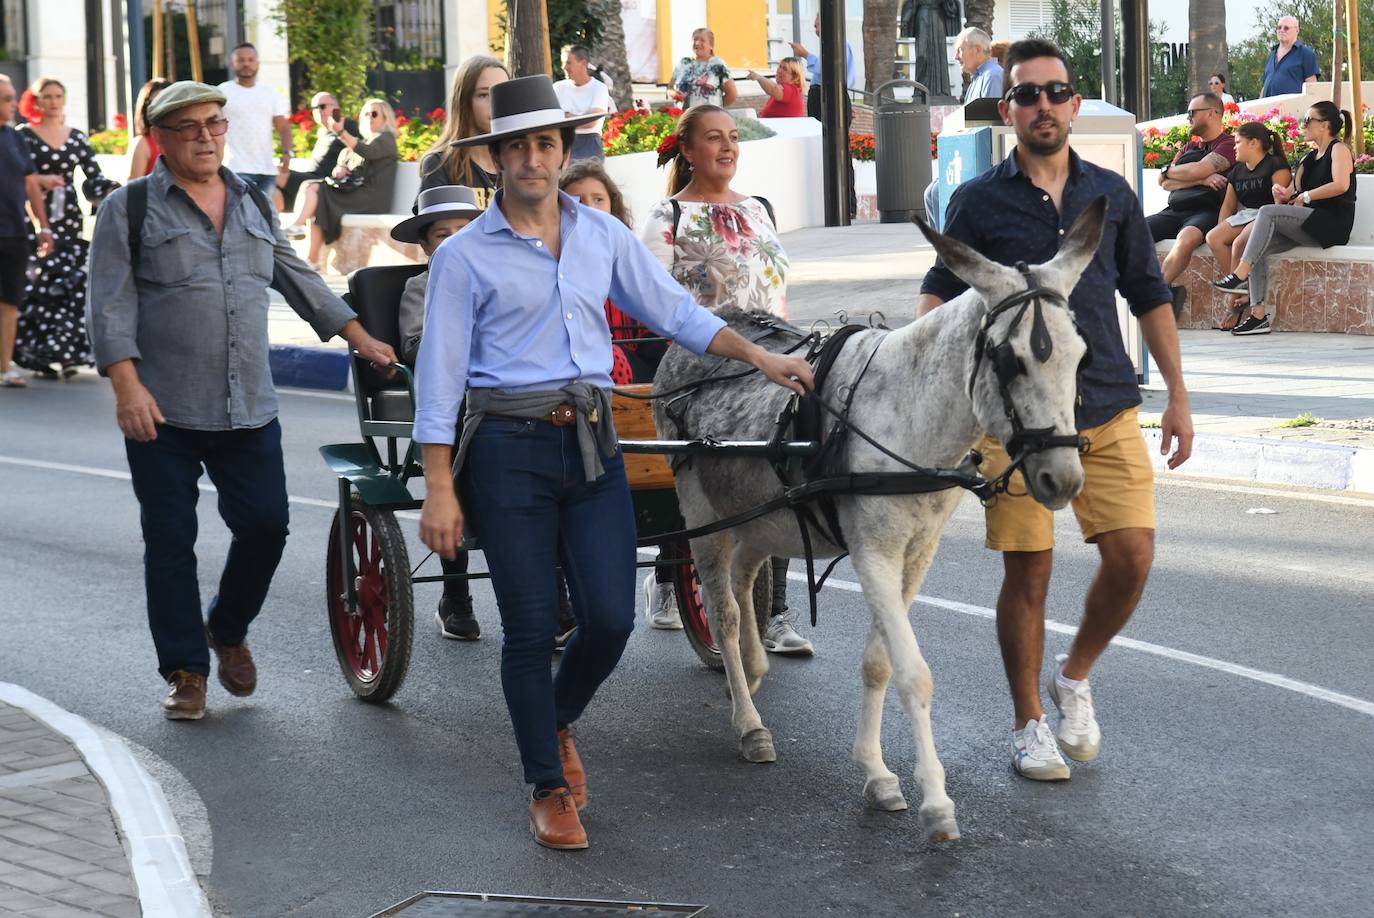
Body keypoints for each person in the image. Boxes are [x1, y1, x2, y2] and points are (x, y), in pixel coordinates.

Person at [412, 74, 814, 850]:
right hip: (507, 448)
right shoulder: (462, 257)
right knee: (531, 626)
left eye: (546, 144)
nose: (533, 159)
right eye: (518, 146)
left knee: (610, 618)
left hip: (594, 441)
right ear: (494, 158)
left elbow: (677, 312)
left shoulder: (601, 236)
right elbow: (440, 375)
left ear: (563, 152)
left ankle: (553, 718)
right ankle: (546, 784)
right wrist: (438, 487)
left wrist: (763, 358)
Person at [917, 39, 1193, 782]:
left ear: (1073, 104)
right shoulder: (979, 201)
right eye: (1026, 94)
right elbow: (940, 293)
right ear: (1007, 109)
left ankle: (1074, 676)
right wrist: (926, 386)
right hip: (1017, 424)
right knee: (1029, 572)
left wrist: (1178, 395)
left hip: (1103, 404)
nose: (1042, 105)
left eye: (1054, 92)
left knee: (1132, 556)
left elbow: (1149, 294)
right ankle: (1029, 723)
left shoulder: (1112, 196)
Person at [84, 81, 397, 720]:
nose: (206, 136)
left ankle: (226, 627)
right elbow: (108, 305)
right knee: (170, 541)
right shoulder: (130, 208)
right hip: (162, 408)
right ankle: (186, 671)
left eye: (214, 123)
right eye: (189, 127)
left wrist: (360, 336)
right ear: (160, 138)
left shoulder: (252, 200)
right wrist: (126, 386)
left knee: (266, 526)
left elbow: (297, 276)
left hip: (247, 404)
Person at [641, 105, 812, 655]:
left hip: (771, 361)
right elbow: (654, 304)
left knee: (786, 464)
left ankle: (776, 611)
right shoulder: (667, 216)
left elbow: (774, 289)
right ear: (687, 150)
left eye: (734, 137)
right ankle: (671, 576)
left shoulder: (759, 208)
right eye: (714, 138)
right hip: (706, 372)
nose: (728, 147)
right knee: (707, 486)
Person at [1212, 101, 1356, 336]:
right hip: (1309, 223)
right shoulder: (1308, 158)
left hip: (1332, 223)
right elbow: (1290, 194)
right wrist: (1280, 195)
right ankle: (1258, 316)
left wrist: (1306, 196)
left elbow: (1341, 185)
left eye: (1308, 121)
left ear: (1324, 125)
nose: (1303, 125)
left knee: (1266, 212)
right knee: (1258, 247)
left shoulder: (1338, 149)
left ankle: (1240, 274)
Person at [14, 77, 117, 378]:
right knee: (39, 283)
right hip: (34, 215)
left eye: (58, 96)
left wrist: (113, 193)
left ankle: (69, 353)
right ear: (36, 101)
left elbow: (93, 177)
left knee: (70, 282)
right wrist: (39, 182)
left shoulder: (77, 137)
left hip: (69, 217)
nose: (53, 102)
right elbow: (14, 176)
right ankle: (39, 353)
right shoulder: (24, 136)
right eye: (47, 96)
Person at [283, 99, 399, 271]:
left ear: (385, 117)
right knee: (316, 199)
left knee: (314, 188)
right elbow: (353, 162)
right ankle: (311, 260)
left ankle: (298, 226)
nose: (369, 117)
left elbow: (367, 152)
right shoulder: (366, 141)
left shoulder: (386, 139)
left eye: (374, 114)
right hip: (357, 193)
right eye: (366, 114)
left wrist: (340, 132)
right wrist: (341, 168)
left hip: (371, 198)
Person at [1147, 93, 1236, 316]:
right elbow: (1163, 182)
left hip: (1208, 211)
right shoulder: (1188, 147)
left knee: (1186, 239)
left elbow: (1198, 169)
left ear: (1212, 113)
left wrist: (1173, 172)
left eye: (1192, 112)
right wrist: (1200, 181)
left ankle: (1156, 297)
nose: (1188, 118)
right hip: (1176, 208)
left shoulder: (1228, 144)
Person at [1203, 121, 1292, 331]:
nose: (1234, 147)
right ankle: (1243, 286)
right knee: (1213, 237)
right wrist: (1221, 228)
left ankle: (1233, 306)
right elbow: (1228, 206)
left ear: (1253, 143)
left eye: (1238, 142)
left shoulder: (1276, 165)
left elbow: (1279, 204)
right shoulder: (1237, 172)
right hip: (1246, 215)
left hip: (1267, 215)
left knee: (1240, 243)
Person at [0, 74, 54, 389]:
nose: (13, 104)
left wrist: (42, 226)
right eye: (7, 99)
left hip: (15, 233)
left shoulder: (16, 137)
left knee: (10, 301)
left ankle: (4, 367)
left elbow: (30, 183)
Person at [924, 27, 1006, 225]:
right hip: (968, 157)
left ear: (977, 49)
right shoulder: (978, 79)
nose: (956, 57)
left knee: (936, 192)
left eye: (960, 50)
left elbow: (990, 125)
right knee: (932, 192)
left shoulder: (993, 76)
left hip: (982, 162)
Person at [418, 55, 510, 208]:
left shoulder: (519, 161)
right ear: (463, 100)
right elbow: (436, 222)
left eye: (502, 94)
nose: (495, 103)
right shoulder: (440, 165)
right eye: (484, 94)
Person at [791, 15, 857, 217]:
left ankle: (846, 203)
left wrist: (806, 55)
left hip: (829, 96)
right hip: (822, 96)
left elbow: (832, 69)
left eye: (818, 24)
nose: (816, 29)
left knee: (838, 150)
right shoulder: (829, 46)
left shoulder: (839, 45)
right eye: (815, 25)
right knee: (824, 149)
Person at [217, 43, 292, 198]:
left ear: (257, 63)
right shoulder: (222, 92)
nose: (246, 64)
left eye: (251, 60)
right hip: (235, 168)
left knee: (265, 212)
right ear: (232, 63)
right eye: (241, 60)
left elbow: (283, 127)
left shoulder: (269, 92)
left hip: (267, 170)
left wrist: (287, 153)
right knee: (239, 211)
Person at [279, 92, 357, 212]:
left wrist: (343, 164)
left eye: (322, 106)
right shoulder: (324, 132)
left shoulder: (348, 126)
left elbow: (360, 148)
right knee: (275, 192)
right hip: (310, 180)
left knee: (275, 172)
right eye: (314, 108)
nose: (318, 111)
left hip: (326, 184)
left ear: (336, 108)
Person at [554, 45, 613, 161]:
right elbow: (551, 118)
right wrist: (579, 118)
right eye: (563, 63)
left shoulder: (599, 88)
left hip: (590, 145)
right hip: (563, 144)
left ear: (583, 63)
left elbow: (592, 121)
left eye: (568, 63)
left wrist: (566, 117)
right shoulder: (557, 88)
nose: (564, 67)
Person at [671, 28, 737, 109]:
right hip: (685, 114)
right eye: (695, 40)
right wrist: (673, 94)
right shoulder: (683, 63)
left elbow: (732, 94)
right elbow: (670, 87)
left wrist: (715, 108)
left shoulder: (717, 64)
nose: (697, 43)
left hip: (709, 114)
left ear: (711, 45)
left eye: (702, 40)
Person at [1261, 16, 1319, 99]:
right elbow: (1265, 86)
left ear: (1297, 30)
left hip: (1293, 105)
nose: (1281, 30)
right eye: (1279, 27)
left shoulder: (1305, 53)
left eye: (1286, 28)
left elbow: (1312, 87)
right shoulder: (1272, 55)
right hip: (1269, 105)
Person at [128, 78, 170, 180]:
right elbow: (134, 185)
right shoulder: (143, 143)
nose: (161, 108)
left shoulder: (183, 138)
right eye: (154, 103)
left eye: (166, 101)